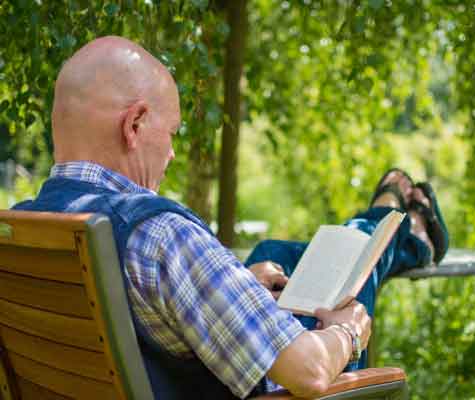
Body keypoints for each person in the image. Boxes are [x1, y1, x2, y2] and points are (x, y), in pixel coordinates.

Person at [12, 36, 448, 399]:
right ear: (135, 125)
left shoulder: (21, 230)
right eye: (173, 132)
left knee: (278, 256)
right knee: (357, 266)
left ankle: (394, 225)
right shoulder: (161, 236)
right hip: (276, 379)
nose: (172, 152)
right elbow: (311, 372)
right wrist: (348, 333)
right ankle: (396, 224)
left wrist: (236, 278)